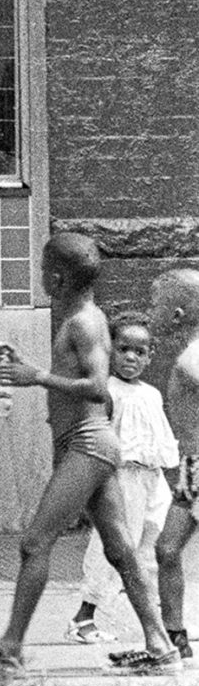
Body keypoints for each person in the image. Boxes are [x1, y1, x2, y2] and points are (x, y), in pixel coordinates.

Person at [0, 231, 179, 671]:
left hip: (88, 445)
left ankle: (10, 648)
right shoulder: (79, 318)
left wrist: (36, 376)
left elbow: (99, 388)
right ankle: (162, 648)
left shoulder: (84, 321)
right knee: (120, 551)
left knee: (34, 542)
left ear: (57, 278)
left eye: (43, 270)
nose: (40, 277)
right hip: (87, 444)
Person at [65, 312, 177, 644]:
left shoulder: (151, 394)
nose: (131, 357)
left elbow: (159, 441)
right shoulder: (106, 392)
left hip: (152, 479)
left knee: (150, 546)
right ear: (109, 350)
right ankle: (83, 618)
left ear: (150, 356)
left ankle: (155, 622)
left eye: (140, 352)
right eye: (123, 348)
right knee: (111, 546)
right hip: (121, 477)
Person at [150, 266, 199, 663]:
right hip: (190, 469)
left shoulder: (191, 358)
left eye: (156, 306)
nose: (151, 314)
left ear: (177, 314)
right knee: (167, 549)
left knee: (167, 549)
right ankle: (174, 638)